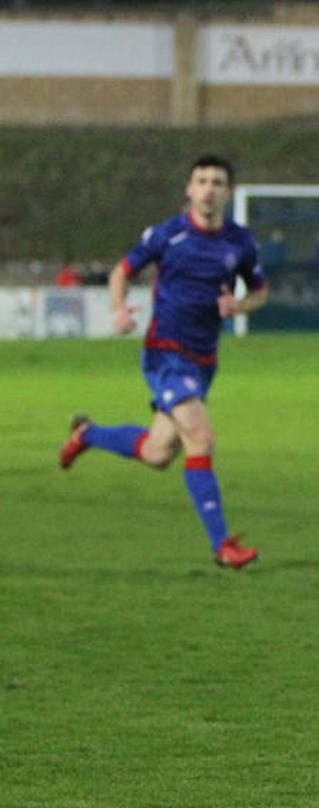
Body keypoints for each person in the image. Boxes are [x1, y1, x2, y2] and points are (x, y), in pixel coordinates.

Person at [59, 154, 268, 569]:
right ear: (190, 189)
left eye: (217, 182)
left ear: (228, 192)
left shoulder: (240, 242)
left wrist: (239, 306)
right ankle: (222, 546)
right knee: (201, 438)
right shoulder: (167, 235)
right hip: (165, 353)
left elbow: (261, 290)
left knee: (158, 453)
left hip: (204, 360)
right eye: (202, 180)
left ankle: (87, 434)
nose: (209, 188)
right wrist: (118, 309)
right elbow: (121, 272)